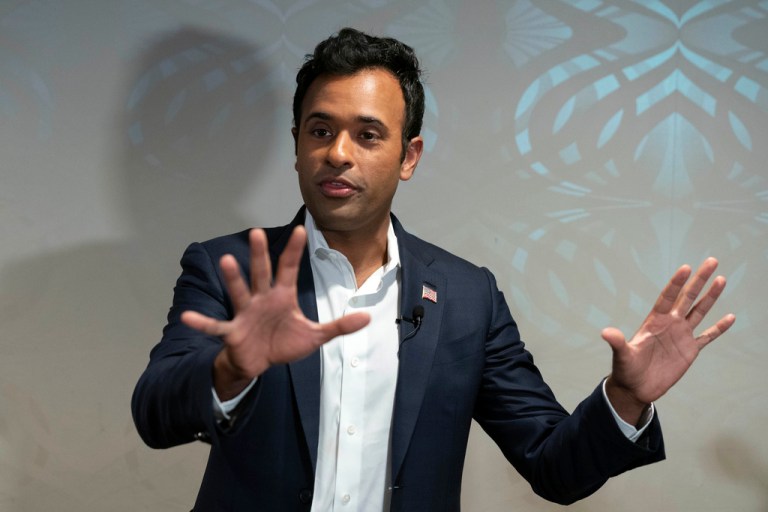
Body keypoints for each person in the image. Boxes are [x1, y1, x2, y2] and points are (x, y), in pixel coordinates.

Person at [131, 28, 735, 511]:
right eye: (320, 130)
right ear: (297, 145)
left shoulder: (469, 296)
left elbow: (555, 467)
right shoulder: (229, 266)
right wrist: (229, 369)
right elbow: (154, 414)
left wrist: (625, 399)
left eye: (368, 134)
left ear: (408, 157)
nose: (337, 152)